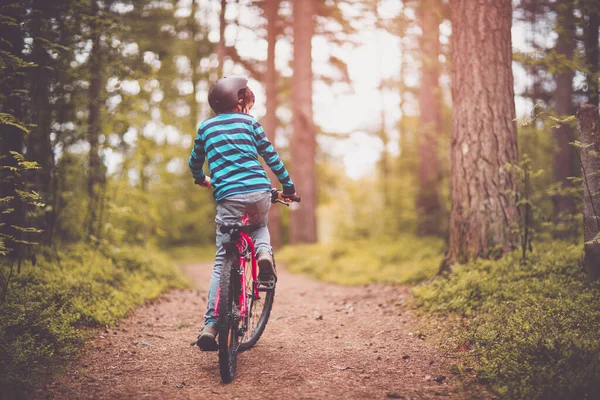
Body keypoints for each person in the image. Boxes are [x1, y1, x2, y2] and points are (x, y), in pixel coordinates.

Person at [189, 76, 297, 351]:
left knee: (221, 260)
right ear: (239, 101)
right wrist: (288, 185)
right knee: (259, 226)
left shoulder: (206, 127)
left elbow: (195, 161)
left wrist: (200, 178)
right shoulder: (250, 123)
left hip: (228, 198)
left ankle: (211, 325)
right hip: (258, 193)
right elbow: (270, 155)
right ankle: (262, 252)